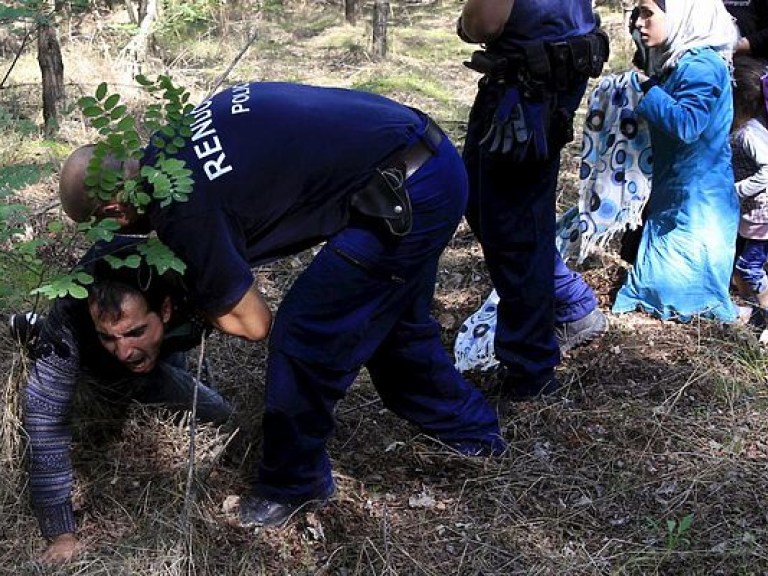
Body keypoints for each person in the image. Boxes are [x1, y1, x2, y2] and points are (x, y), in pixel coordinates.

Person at [57, 82, 505, 529]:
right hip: (423, 156)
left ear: (116, 209)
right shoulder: (171, 144)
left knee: (304, 334)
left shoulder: (180, 206)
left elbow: (253, 323)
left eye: (102, 227)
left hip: (408, 192)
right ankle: (472, 434)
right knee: (392, 327)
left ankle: (294, 483)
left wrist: (193, 296)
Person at [15, 236, 232, 565]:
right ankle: (33, 330)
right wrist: (61, 533)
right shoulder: (73, 314)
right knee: (218, 413)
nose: (123, 349)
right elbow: (45, 415)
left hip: (170, 337)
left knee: (209, 401)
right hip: (102, 367)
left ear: (167, 309)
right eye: (107, 336)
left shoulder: (197, 287)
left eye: (134, 331)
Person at [456, 0, 610, 398]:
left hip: (526, 87)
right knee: (487, 201)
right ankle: (570, 304)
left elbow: (486, 22)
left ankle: (530, 367)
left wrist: (467, 24)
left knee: (511, 221)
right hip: (538, 76)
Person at [612, 0, 740, 322]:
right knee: (660, 282)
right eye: (638, 14)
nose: (640, 23)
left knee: (687, 294)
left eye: (648, 13)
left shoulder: (701, 65)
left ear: (684, 15)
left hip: (698, 198)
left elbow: (688, 125)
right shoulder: (678, 60)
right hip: (678, 187)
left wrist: (645, 92)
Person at [730, 55, 768, 308]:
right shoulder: (757, 128)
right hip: (753, 215)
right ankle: (750, 306)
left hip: (761, 215)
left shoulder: (748, 134)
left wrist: (735, 191)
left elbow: (766, 170)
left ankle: (764, 311)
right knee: (742, 268)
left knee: (749, 268)